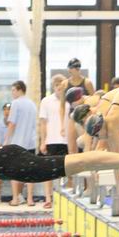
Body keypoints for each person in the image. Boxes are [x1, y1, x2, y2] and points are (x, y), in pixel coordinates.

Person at [5, 80, 39, 207]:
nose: (12, 93)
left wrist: (6, 141)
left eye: (13, 90)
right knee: (30, 171)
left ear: (20, 90)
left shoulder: (16, 103)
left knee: (14, 171)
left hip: (18, 142)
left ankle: (15, 199)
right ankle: (30, 199)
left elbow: (12, 124)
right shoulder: (32, 104)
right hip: (31, 142)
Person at [39, 75, 71, 207]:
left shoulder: (69, 102)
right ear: (53, 86)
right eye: (56, 85)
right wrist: (43, 141)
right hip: (51, 140)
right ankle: (48, 198)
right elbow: (42, 123)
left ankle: (65, 198)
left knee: (66, 170)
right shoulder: (46, 101)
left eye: (61, 85)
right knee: (48, 171)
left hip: (67, 141)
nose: (59, 87)